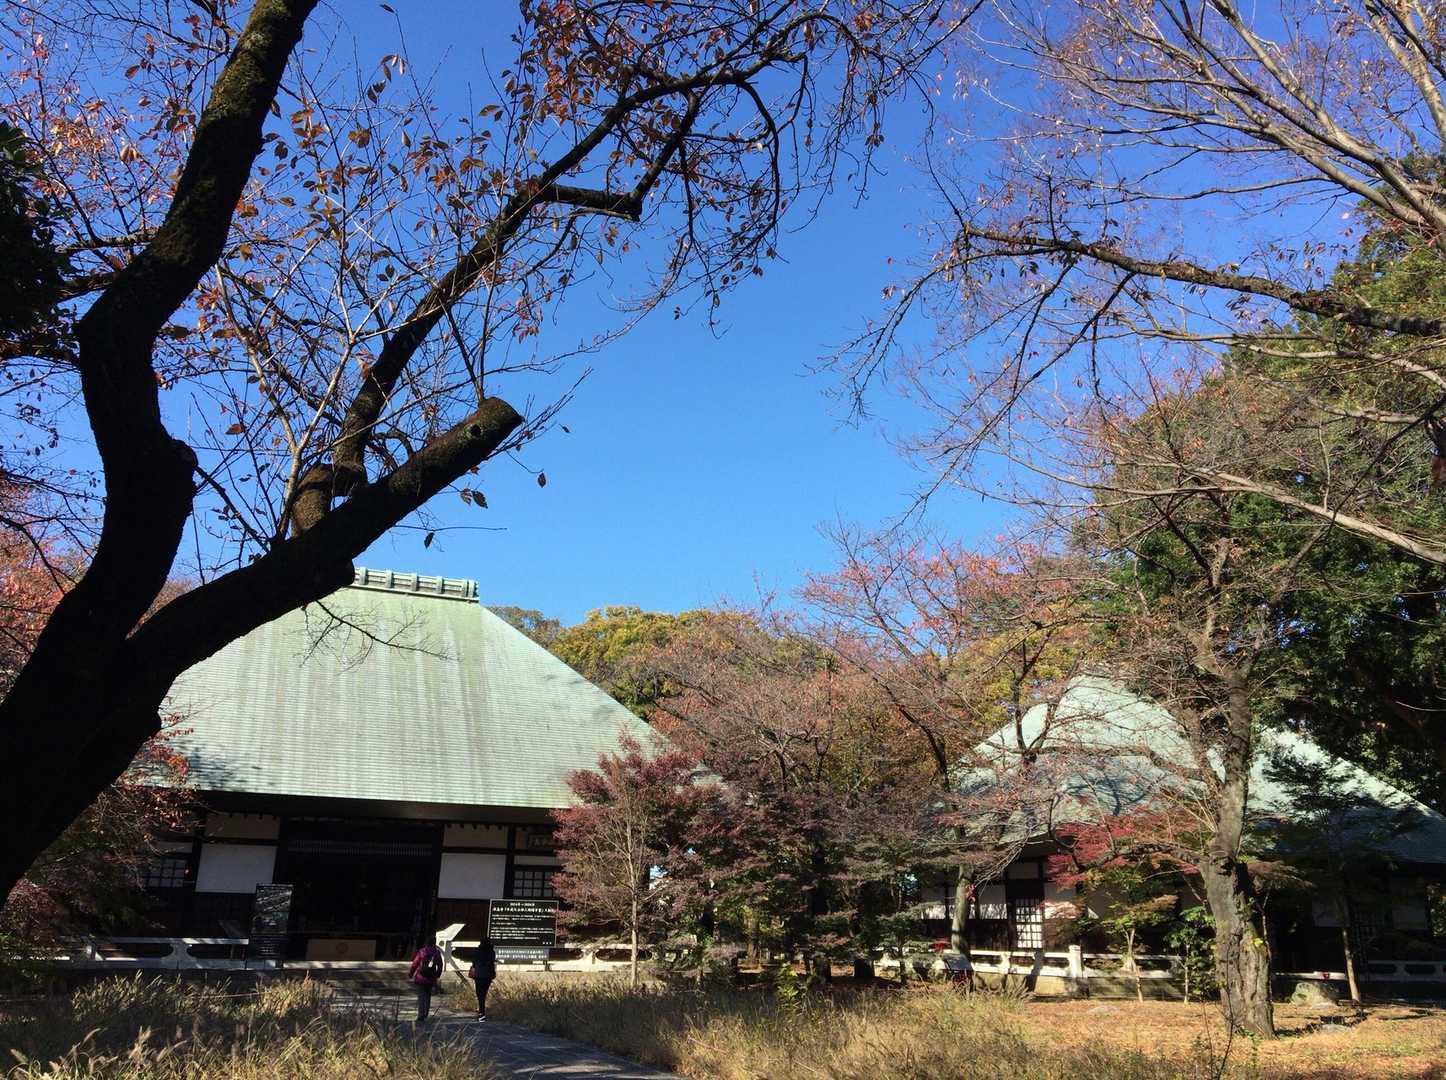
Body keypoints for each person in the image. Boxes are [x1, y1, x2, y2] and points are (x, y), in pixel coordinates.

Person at [409, 937, 444, 1023]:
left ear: (426, 942)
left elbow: (415, 963)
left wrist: (411, 973)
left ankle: (420, 1015)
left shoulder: (422, 951)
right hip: (431, 978)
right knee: (428, 996)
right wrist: (437, 975)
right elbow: (440, 965)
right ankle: (425, 1014)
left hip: (421, 977)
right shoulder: (437, 953)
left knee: (421, 997)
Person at [467, 940, 497, 1021]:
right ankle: (481, 1012)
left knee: (479, 994)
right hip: (488, 975)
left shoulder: (477, 951)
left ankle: (481, 1013)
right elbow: (492, 962)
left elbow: (474, 962)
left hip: (479, 975)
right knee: (484, 994)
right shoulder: (492, 952)